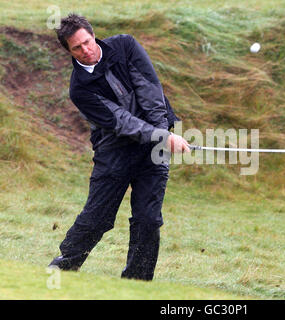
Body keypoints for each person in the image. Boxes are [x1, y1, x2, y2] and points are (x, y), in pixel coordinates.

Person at [48, 13, 190, 281]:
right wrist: (161, 136)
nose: (86, 50)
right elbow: (121, 121)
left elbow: (150, 90)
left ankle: (136, 282)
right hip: (114, 151)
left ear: (93, 35)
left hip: (153, 145)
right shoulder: (79, 89)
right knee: (98, 216)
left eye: (88, 42)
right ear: (67, 50)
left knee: (148, 218)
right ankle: (65, 266)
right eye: (77, 48)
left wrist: (161, 135)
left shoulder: (125, 46)